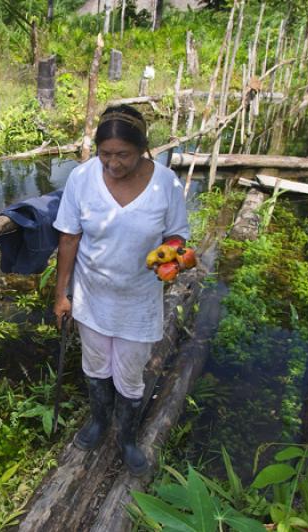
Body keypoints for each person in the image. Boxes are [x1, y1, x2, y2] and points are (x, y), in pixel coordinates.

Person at [52, 104, 190, 476]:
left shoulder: (166, 184)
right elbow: (69, 239)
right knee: (95, 366)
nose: (112, 163)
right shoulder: (82, 179)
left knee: (129, 374)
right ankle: (99, 421)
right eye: (105, 154)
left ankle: (127, 437)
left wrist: (172, 257)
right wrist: (61, 295)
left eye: (123, 155)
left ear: (142, 148)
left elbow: (178, 237)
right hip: (93, 295)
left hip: (139, 300)